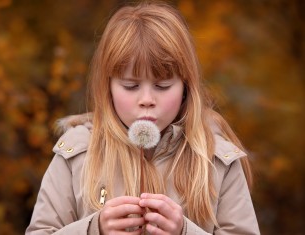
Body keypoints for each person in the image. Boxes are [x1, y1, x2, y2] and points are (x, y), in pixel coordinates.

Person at [26, 2, 260, 234]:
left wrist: (185, 232)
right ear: (107, 87)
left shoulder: (217, 162)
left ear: (186, 87)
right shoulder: (76, 156)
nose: (147, 99)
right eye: (130, 86)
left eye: (162, 85)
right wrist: (93, 230)